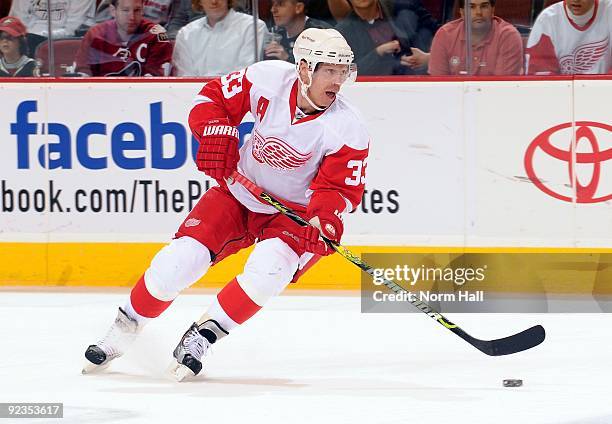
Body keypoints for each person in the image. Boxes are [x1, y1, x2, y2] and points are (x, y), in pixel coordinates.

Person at [82, 28, 370, 380]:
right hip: (239, 194)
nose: (338, 81)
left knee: (268, 270)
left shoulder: (348, 127)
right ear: (305, 68)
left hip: (293, 215)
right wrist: (216, 130)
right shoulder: (267, 78)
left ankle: (201, 336)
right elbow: (210, 99)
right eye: (330, 70)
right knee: (177, 262)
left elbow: (338, 189)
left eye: (343, 72)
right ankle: (123, 330)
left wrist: (324, 220)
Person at [335, 0, 437, 75]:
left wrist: (429, 58)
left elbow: (445, 36)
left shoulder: (406, 8)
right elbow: (345, 73)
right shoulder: (343, 32)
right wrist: (378, 52)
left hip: (420, 84)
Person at [422, 0, 523, 75]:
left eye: (484, 6)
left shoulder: (508, 37)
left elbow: (501, 90)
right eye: (471, 7)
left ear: (492, 10)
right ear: (462, 12)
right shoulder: (444, 35)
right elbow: (439, 88)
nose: (478, 12)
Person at [75, 0, 173, 76]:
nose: (132, 17)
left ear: (143, 9)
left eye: (137, 10)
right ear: (113, 11)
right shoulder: (95, 35)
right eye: (125, 10)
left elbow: (157, 83)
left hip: (142, 99)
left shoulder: (155, 35)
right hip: (102, 98)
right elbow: (83, 74)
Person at [171, 0, 267, 76]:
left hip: (236, 96)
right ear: (199, 1)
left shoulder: (253, 27)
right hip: (193, 97)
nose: (214, 1)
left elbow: (246, 74)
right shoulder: (186, 34)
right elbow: (184, 78)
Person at [526, 0, 612, 75]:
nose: (576, 0)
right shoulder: (547, 20)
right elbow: (540, 77)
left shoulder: (609, 10)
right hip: (562, 91)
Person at [265, 0, 331, 63]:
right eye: (273, 4)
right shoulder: (275, 32)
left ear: (298, 8)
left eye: (280, 4)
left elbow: (327, 69)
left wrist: (288, 58)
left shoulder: (321, 33)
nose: (273, 10)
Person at [9, 0, 95, 38]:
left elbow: (71, 29)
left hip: (64, 42)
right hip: (27, 40)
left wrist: (39, 36)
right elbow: (18, 23)